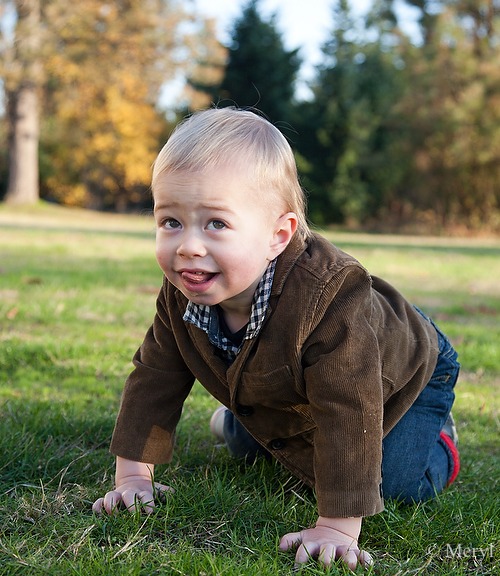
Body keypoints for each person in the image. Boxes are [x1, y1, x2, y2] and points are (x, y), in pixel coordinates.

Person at [92, 107, 460, 570]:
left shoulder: (329, 299)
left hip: (404, 371)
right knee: (267, 447)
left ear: (278, 235)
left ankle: (440, 438)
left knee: (393, 481)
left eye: (216, 224)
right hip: (285, 380)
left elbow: (347, 405)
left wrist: (335, 527)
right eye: (170, 222)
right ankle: (234, 423)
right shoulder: (185, 289)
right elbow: (156, 376)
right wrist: (132, 477)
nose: (187, 245)